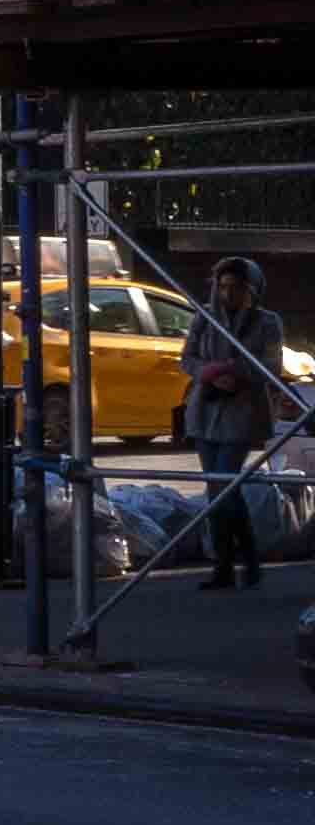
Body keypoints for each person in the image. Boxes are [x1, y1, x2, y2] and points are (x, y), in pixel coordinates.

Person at [180, 252, 285, 591]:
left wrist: (235, 372)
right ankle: (230, 564)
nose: (228, 294)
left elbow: (272, 366)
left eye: (236, 287)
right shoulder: (205, 317)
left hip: (242, 413)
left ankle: (243, 561)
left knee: (224, 486)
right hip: (205, 411)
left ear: (251, 289)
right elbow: (187, 358)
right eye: (223, 286)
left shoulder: (267, 322)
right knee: (219, 490)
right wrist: (208, 372)